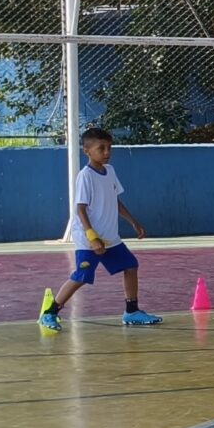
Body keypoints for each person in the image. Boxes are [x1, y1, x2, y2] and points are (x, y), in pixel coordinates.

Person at [42, 127, 161, 330]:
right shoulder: (85, 176)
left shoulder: (110, 171)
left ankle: (131, 311)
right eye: (101, 148)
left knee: (130, 266)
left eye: (109, 147)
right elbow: (80, 208)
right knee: (82, 276)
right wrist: (92, 237)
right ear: (87, 151)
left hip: (110, 237)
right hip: (89, 239)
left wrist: (133, 221)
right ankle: (49, 313)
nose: (107, 152)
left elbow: (114, 200)